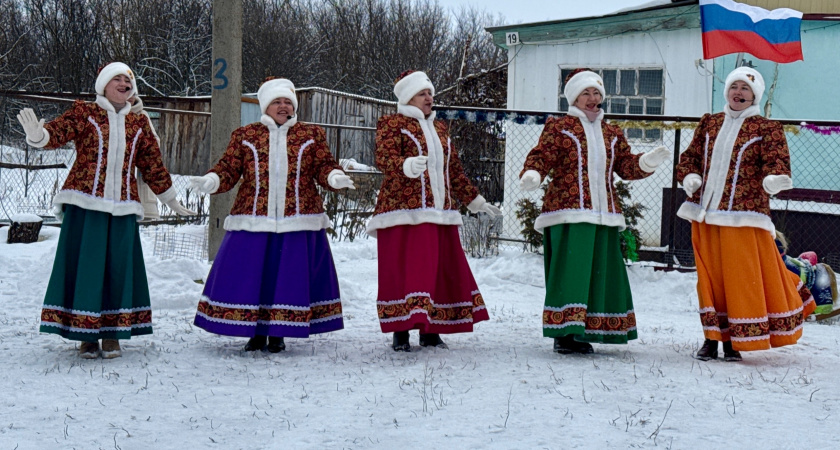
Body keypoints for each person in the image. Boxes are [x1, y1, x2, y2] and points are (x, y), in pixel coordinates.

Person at [16, 62, 194, 359]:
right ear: (104, 85)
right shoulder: (85, 112)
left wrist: (171, 198)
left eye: (128, 80)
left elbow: (152, 164)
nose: (124, 83)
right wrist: (39, 136)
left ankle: (112, 334)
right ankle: (85, 336)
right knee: (87, 269)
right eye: (117, 79)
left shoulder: (139, 123)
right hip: (86, 205)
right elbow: (57, 133)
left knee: (118, 270)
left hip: (123, 208)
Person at [189, 77, 354, 353]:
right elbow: (229, 167)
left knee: (287, 278)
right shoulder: (245, 135)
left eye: (287, 101)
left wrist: (335, 177)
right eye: (277, 101)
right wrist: (213, 180)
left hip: (298, 219)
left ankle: (279, 332)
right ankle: (255, 333)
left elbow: (324, 165)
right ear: (265, 106)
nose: (283, 106)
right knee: (254, 277)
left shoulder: (311, 135)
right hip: (253, 219)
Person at [519, 68, 670, 354]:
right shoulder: (559, 127)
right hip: (568, 212)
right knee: (572, 273)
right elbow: (541, 156)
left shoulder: (611, 132)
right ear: (574, 97)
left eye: (597, 92)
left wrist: (647, 161)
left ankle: (591, 328)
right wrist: (533, 174)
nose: (593, 97)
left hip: (605, 214)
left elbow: (625, 167)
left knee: (600, 274)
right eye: (586, 92)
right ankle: (564, 333)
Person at [676, 66, 815, 362]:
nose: (738, 93)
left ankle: (737, 341)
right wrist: (689, 176)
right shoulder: (709, 123)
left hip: (744, 216)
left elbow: (777, 163)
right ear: (727, 90)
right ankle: (712, 339)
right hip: (706, 215)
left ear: (755, 96)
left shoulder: (767, 128)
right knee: (710, 281)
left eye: (745, 89)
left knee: (741, 279)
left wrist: (773, 180)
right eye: (734, 87)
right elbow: (690, 157)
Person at [367, 70, 500, 351]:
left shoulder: (440, 128)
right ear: (407, 98)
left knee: (435, 272)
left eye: (430, 93)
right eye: (422, 94)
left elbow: (452, 170)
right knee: (406, 271)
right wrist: (404, 165)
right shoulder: (392, 123)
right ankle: (401, 330)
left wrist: (474, 199)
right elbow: (384, 156)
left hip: (439, 213)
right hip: (403, 212)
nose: (429, 98)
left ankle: (431, 328)